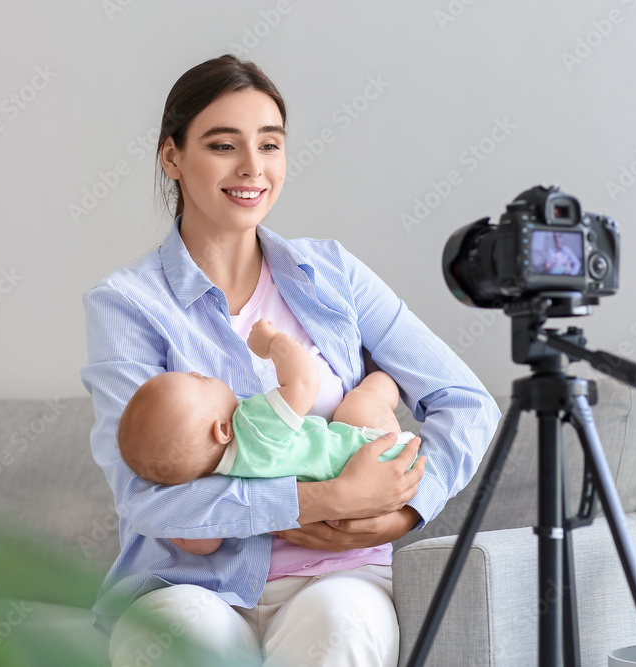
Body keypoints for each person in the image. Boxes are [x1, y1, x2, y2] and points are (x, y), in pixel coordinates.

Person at [80, 53, 500, 667]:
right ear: (172, 157)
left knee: (343, 626)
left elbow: (466, 403)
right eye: (223, 145)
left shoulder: (332, 273)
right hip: (184, 583)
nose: (253, 168)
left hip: (340, 575)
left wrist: (402, 509)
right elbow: (144, 496)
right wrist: (323, 501)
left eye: (270, 145)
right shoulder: (128, 305)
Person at [117, 317, 418, 557]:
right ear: (222, 430)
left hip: (340, 515)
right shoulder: (251, 425)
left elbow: (204, 545)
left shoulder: (218, 481)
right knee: (362, 400)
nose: (196, 372)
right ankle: (387, 384)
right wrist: (274, 343)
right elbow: (303, 382)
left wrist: (184, 533)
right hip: (379, 453)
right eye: (203, 381)